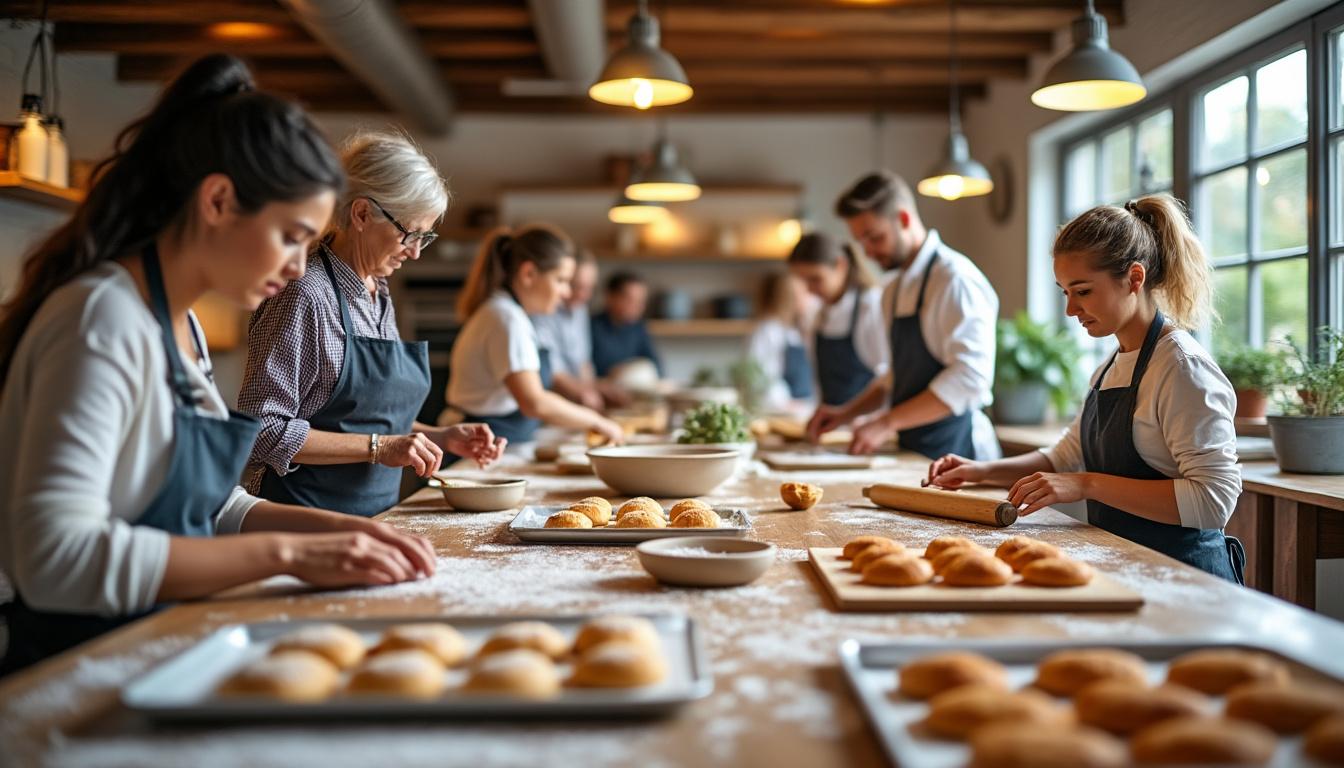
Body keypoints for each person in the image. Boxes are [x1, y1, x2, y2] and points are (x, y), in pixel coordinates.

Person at [0, 55, 435, 674]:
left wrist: (338, 534)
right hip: (80, 666)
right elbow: (56, 559)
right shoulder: (99, 320)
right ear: (219, 201)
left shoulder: (184, 326)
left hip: (163, 645)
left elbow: (213, 507)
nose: (296, 266)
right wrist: (284, 553)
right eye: (290, 235)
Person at [927, 195, 1244, 583]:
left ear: (1134, 278)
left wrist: (1085, 484)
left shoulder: (1181, 368)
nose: (1070, 309)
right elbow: (1064, 458)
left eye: (1083, 291)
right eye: (1065, 292)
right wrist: (978, 471)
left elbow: (1213, 502)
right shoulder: (1109, 366)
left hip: (1191, 582)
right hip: (1130, 571)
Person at [237, 130, 502, 519]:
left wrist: (437, 437)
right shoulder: (304, 295)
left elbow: (370, 419)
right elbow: (260, 430)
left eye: (424, 237)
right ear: (361, 214)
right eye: (408, 233)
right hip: (302, 519)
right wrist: (381, 447)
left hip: (375, 515)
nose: (414, 252)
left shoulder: (377, 293)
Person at [808, 171, 1000, 460]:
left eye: (875, 237)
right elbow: (895, 377)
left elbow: (969, 378)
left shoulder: (954, 280)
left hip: (961, 452)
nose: (868, 252)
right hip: (916, 452)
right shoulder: (892, 290)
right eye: (861, 241)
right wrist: (845, 415)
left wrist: (886, 423)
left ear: (904, 219)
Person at [439, 225, 624, 446]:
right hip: (479, 444)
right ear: (528, 274)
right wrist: (597, 422)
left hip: (498, 441)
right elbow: (534, 402)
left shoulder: (509, 313)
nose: (566, 293)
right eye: (561, 280)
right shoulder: (506, 319)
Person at [787, 232, 889, 408]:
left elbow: (887, 377)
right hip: (829, 425)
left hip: (865, 425)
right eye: (803, 281)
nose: (809, 289)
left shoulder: (870, 306)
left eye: (816, 279)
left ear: (840, 265)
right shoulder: (818, 314)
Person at [531, 248, 604, 410]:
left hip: (573, 404)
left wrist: (593, 392)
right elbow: (552, 372)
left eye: (589, 288)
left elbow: (583, 363)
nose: (583, 295)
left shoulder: (580, 309)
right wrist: (584, 396)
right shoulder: (543, 310)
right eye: (577, 286)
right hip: (551, 403)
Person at [745, 271, 816, 411]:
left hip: (806, 407)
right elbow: (761, 376)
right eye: (805, 292)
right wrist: (783, 403)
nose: (811, 298)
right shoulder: (768, 330)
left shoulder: (797, 329)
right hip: (784, 411)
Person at [590, 271, 662, 378]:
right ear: (610, 297)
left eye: (641, 301)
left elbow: (656, 366)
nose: (638, 307)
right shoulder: (591, 327)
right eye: (630, 300)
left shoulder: (638, 328)